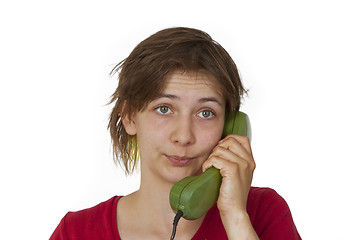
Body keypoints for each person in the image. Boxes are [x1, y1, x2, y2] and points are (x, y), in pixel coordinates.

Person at [50, 27, 301, 240]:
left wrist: (235, 218)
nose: (183, 137)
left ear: (229, 127)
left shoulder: (262, 213)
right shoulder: (76, 232)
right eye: (164, 109)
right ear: (128, 117)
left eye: (205, 113)